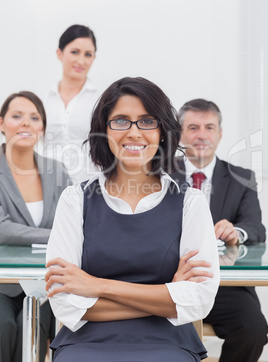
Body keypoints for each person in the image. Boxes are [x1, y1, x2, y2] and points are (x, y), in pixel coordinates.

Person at [45, 77, 220, 362]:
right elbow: (65, 303)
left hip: (169, 344)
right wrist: (166, 297)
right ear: (104, 130)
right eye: (121, 121)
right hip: (85, 343)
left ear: (163, 131)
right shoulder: (75, 200)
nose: (134, 132)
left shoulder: (190, 202)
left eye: (147, 121)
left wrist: (98, 286)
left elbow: (199, 300)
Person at [172, 98, 268, 362]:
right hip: (172, 280)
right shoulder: (160, 174)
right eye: (193, 127)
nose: (202, 135)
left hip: (227, 285)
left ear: (220, 133)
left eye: (209, 127)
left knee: (253, 329)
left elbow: (256, 227)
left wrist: (237, 232)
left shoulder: (242, 177)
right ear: (180, 134)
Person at [0, 91, 70, 362]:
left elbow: (75, 223)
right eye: (17, 116)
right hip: (2, 283)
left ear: (42, 127)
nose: (26, 124)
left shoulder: (58, 171)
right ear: (2, 123)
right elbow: (2, 229)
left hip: (46, 283)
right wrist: (54, 235)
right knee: (5, 326)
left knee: (36, 327)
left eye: (34, 117)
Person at [43, 24, 101, 184]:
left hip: (89, 186)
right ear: (59, 53)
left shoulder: (100, 102)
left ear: (94, 58)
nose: (81, 61)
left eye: (88, 54)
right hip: (50, 186)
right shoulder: (45, 101)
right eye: (74, 52)